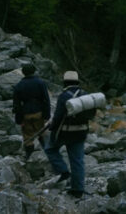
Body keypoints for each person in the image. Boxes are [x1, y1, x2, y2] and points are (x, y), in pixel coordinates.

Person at [45, 70, 90, 198]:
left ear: (65, 82)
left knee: (50, 149)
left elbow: (58, 116)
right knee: (78, 160)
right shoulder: (85, 95)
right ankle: (78, 189)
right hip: (81, 132)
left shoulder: (64, 96)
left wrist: (52, 127)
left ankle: (63, 171)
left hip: (65, 133)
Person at [12, 64, 51, 159]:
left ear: (23, 73)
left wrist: (19, 119)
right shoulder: (40, 83)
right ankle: (48, 154)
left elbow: (16, 104)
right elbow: (46, 99)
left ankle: (28, 155)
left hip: (26, 113)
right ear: (34, 71)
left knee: (27, 135)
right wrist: (47, 115)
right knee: (41, 132)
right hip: (39, 112)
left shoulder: (19, 85)